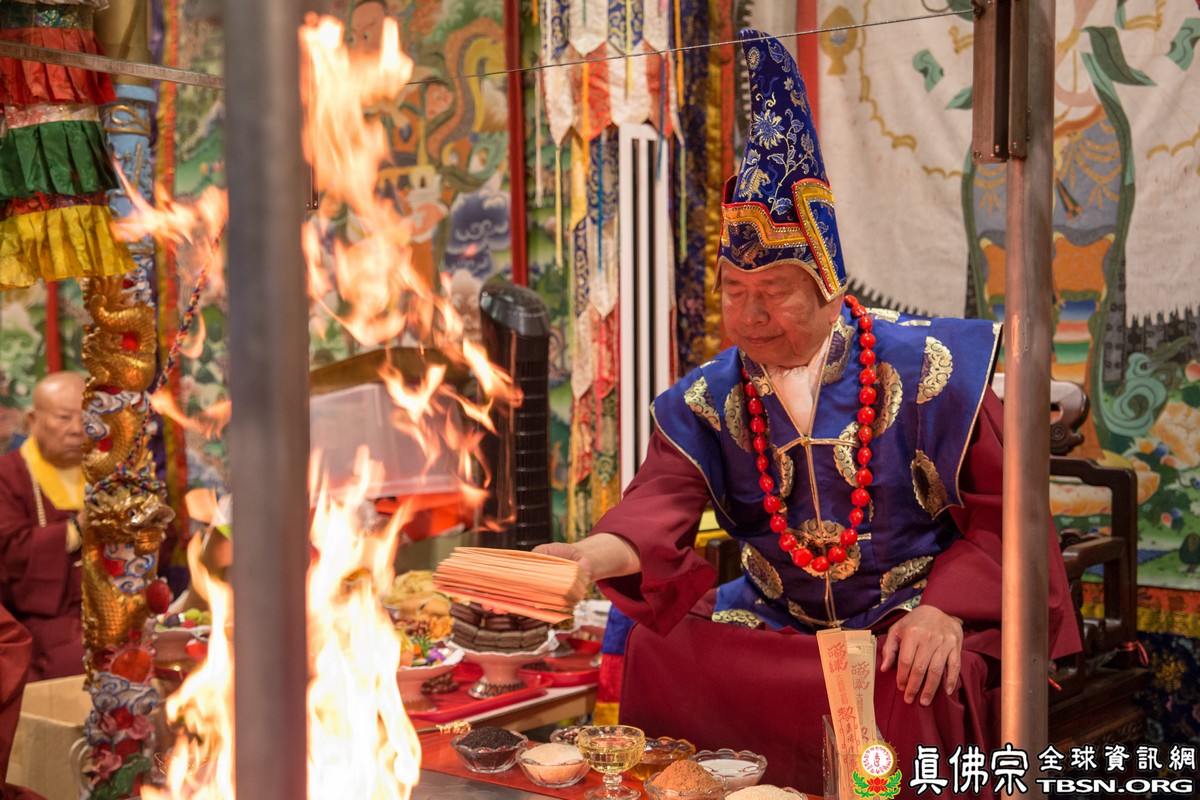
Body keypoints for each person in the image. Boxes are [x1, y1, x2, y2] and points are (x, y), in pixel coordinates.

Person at [536, 30, 1080, 796]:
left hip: (903, 616)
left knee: (913, 680)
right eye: (734, 293)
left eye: (774, 292)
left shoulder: (932, 371)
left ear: (828, 287)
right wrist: (586, 557)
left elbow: (1004, 518)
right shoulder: (710, 398)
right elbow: (658, 504)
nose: (750, 316)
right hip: (778, 615)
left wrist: (947, 612)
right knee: (663, 650)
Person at [0, 372, 87, 681]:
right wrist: (76, 530)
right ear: (34, 420)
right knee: (78, 662)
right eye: (64, 418)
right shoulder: (8, 474)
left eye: (86, 418)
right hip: (45, 618)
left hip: (111, 606)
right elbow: (9, 551)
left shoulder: (107, 471)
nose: (77, 429)